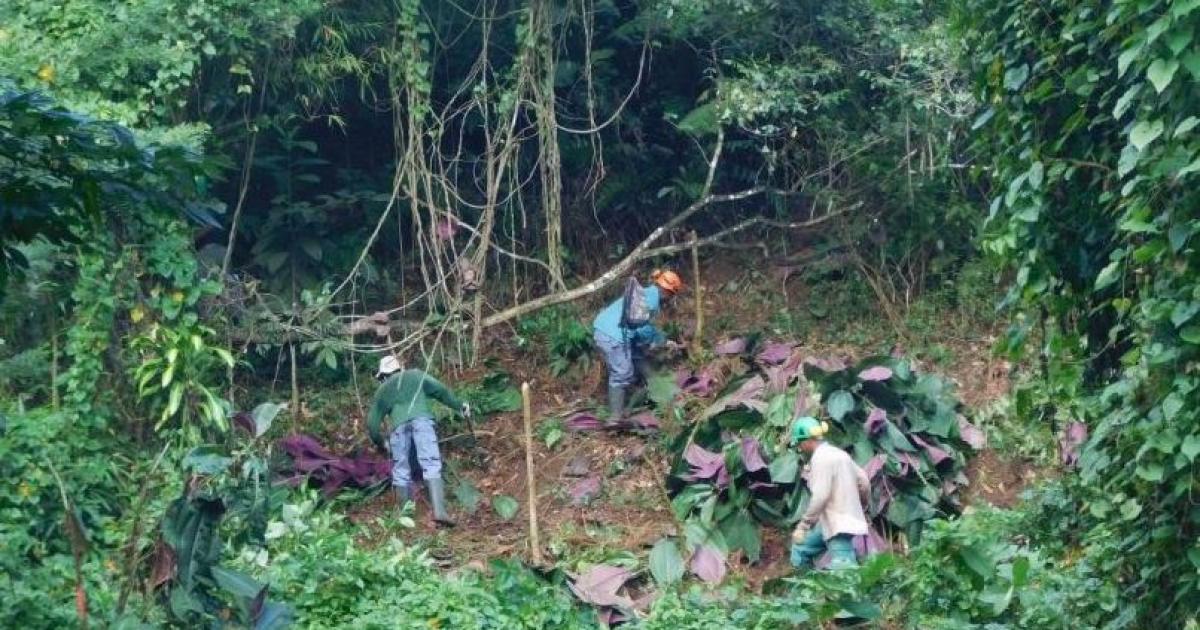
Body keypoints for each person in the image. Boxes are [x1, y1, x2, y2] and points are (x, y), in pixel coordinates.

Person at [367, 355, 471, 528]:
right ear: (399, 368)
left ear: (383, 375)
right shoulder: (415, 375)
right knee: (430, 462)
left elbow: (372, 424)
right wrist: (460, 406)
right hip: (422, 422)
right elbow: (441, 391)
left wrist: (380, 442)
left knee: (401, 470)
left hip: (398, 428)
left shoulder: (383, 390)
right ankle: (440, 512)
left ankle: (405, 519)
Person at [592, 269, 685, 422]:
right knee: (622, 373)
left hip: (604, 329)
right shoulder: (652, 301)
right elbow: (643, 329)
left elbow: (637, 328)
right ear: (668, 292)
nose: (669, 299)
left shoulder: (645, 293)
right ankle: (615, 417)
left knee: (636, 356)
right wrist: (662, 341)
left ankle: (647, 381)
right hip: (612, 335)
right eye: (671, 295)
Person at [789, 416, 870, 570]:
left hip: (838, 523)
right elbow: (864, 481)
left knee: (844, 573)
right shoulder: (840, 454)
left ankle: (846, 591)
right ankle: (807, 591)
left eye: (799, 443)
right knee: (800, 548)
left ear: (806, 441)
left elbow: (820, 496)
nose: (800, 448)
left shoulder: (820, 459)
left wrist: (804, 525)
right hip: (833, 520)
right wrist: (861, 506)